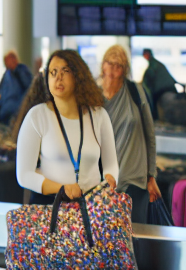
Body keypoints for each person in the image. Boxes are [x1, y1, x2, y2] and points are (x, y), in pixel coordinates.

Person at [14, 50, 120, 204]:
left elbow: (111, 165)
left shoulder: (98, 116)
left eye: (65, 71)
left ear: (78, 76)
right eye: (53, 72)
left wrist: (110, 178)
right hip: (52, 207)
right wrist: (61, 188)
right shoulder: (37, 116)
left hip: (91, 208)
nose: (58, 77)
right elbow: (24, 176)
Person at [98, 44, 161, 224]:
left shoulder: (135, 91)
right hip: (103, 181)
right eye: (109, 63)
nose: (112, 70)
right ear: (103, 65)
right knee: (106, 239)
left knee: (134, 234)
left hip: (135, 177)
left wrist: (151, 175)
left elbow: (150, 135)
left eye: (118, 66)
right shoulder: (93, 95)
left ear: (124, 71)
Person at [0, 50, 32, 124]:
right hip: (5, 110)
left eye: (7, 61)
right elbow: (2, 90)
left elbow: (28, 87)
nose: (5, 64)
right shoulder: (7, 74)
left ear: (14, 59)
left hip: (16, 109)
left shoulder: (22, 71)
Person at [141, 47, 178, 114]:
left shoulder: (153, 65)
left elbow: (149, 78)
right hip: (169, 88)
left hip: (162, 90)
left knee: (153, 102)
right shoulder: (158, 64)